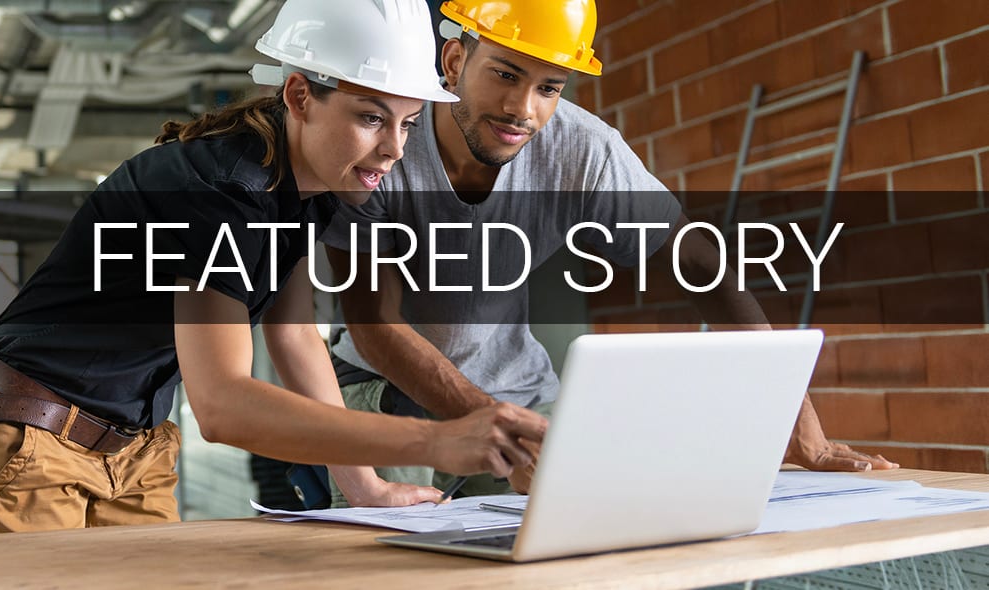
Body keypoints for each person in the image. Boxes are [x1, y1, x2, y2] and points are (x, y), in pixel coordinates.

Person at [0, 0, 547, 536]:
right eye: (370, 117)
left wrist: (365, 486)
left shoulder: (307, 190)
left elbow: (294, 336)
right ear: (300, 96)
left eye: (408, 123)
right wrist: (438, 440)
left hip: (136, 446)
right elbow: (223, 404)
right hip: (30, 435)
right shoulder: (217, 193)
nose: (394, 147)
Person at [319, 0, 898, 506]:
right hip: (384, 388)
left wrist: (784, 399)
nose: (523, 108)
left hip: (520, 390)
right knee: (404, 558)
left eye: (549, 87)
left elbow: (698, 259)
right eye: (505, 74)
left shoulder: (582, 150)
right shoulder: (387, 140)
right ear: (453, 62)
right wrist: (491, 424)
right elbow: (375, 324)